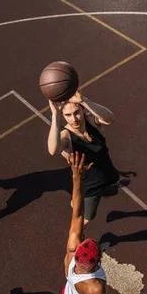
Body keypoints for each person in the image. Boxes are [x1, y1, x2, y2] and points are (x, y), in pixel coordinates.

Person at [37, 152, 123, 294]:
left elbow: (77, 211)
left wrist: (77, 178)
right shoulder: (95, 287)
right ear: (97, 261)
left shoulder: (72, 247)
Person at [47, 91, 120, 225]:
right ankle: (77, 243)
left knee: (111, 192)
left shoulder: (91, 121)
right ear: (63, 116)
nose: (74, 119)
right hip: (89, 188)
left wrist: (84, 100)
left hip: (110, 175)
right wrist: (55, 115)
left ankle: (102, 194)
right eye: (68, 115)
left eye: (76, 112)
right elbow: (53, 150)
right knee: (86, 219)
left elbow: (109, 118)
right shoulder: (66, 136)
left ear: (82, 110)